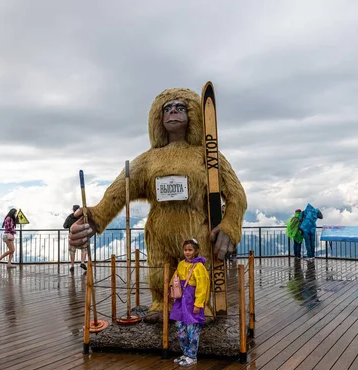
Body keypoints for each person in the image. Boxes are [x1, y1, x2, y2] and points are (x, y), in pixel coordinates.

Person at [69, 88, 247, 314]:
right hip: (158, 236)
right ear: (158, 118)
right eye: (167, 108)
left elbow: (236, 194)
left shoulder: (208, 155)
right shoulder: (148, 160)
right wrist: (93, 218)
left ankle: (199, 307)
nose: (173, 111)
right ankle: (162, 304)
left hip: (197, 232)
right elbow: (117, 191)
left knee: (196, 275)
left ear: (192, 114)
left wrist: (229, 226)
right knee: (158, 274)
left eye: (180, 107)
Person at [170, 239, 210, 367]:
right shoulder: (181, 264)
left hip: (191, 302)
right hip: (181, 301)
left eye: (190, 250)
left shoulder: (199, 267)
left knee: (193, 331)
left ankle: (192, 356)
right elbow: (175, 277)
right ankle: (185, 353)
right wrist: (172, 287)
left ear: (196, 251)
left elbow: (202, 286)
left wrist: (198, 304)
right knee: (181, 331)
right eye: (185, 250)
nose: (187, 252)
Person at [63, 205, 87, 273]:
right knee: (84, 249)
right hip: (81, 236)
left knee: (72, 251)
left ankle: (72, 266)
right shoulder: (83, 216)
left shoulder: (70, 217)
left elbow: (64, 226)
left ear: (73, 210)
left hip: (72, 236)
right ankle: (82, 262)